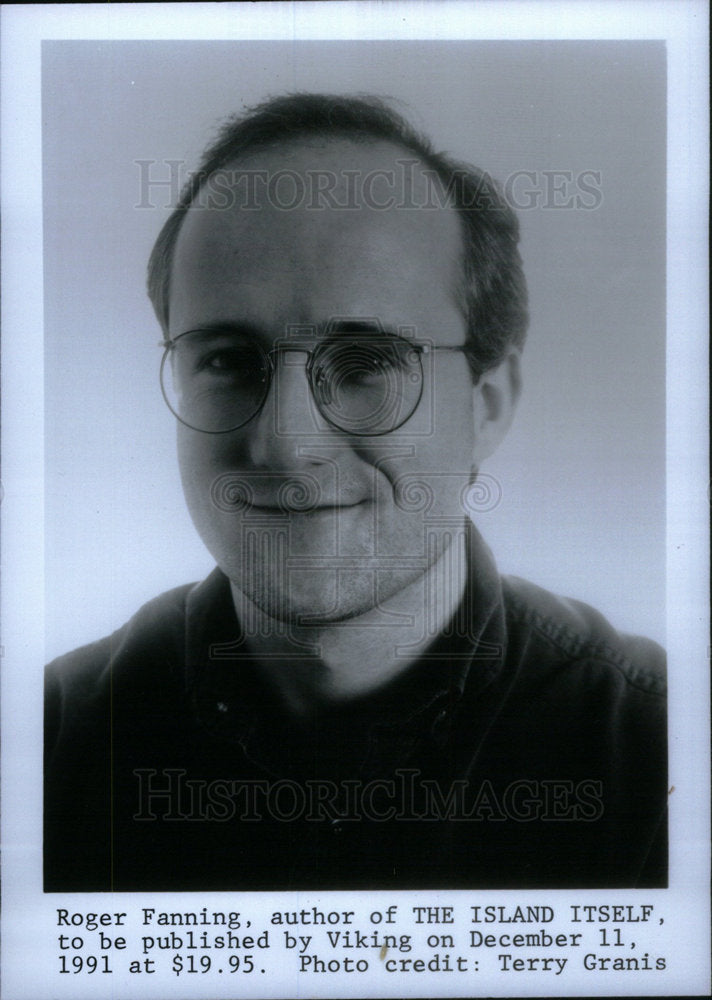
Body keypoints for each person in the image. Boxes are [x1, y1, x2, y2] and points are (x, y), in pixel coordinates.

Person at [44, 93, 666, 891]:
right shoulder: (43, 745)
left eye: (366, 362)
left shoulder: (662, 753)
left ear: (489, 403)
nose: (285, 443)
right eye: (229, 360)